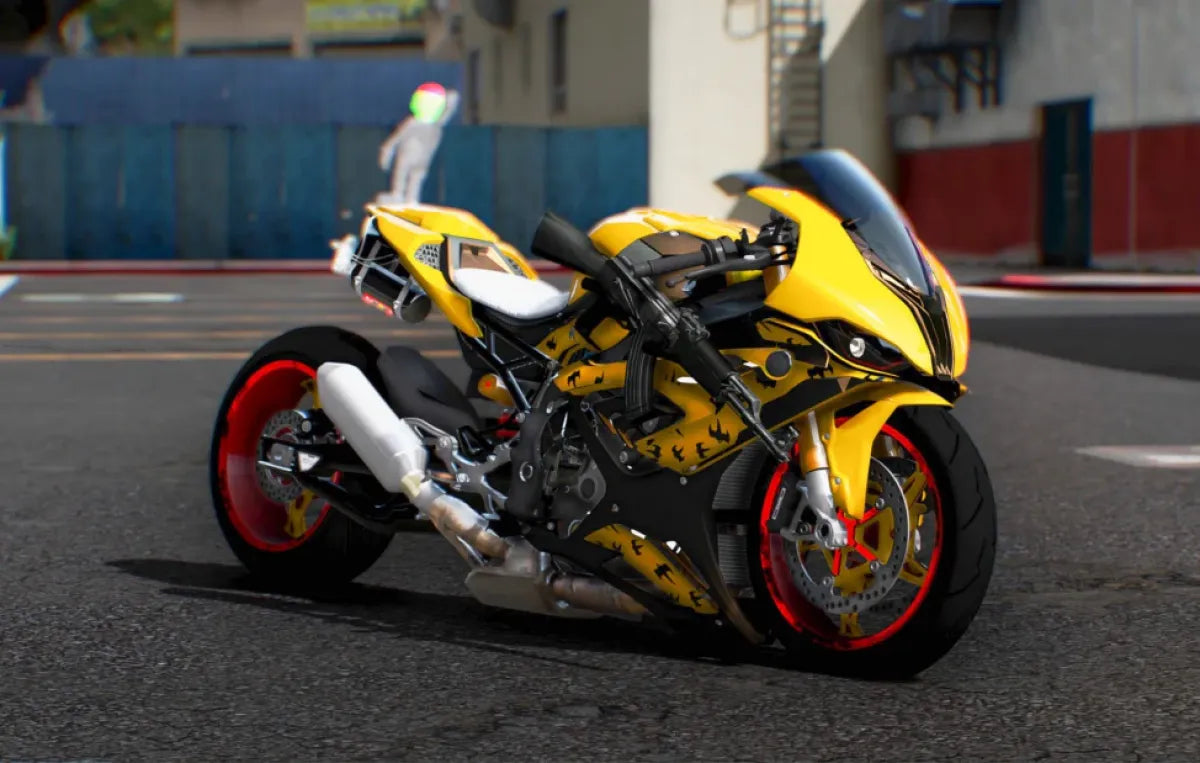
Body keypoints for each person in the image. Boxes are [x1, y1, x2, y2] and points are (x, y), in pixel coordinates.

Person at [377, 83, 461, 205]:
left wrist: (451, 101)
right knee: (402, 174)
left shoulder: (435, 125)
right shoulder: (413, 123)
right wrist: (387, 151)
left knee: (416, 178)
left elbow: (447, 113)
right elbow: (395, 140)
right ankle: (398, 194)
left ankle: (410, 198)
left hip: (422, 160)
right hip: (407, 156)